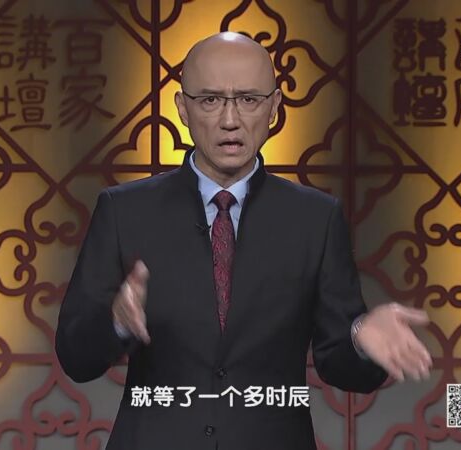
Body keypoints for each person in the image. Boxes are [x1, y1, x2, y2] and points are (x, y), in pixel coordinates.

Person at [55, 31, 432, 450]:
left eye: (249, 99)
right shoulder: (124, 211)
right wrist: (115, 323)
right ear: (182, 108)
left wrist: (360, 337)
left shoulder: (315, 219)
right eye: (210, 100)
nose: (230, 120)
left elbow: (339, 363)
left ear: (274, 107)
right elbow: (75, 357)